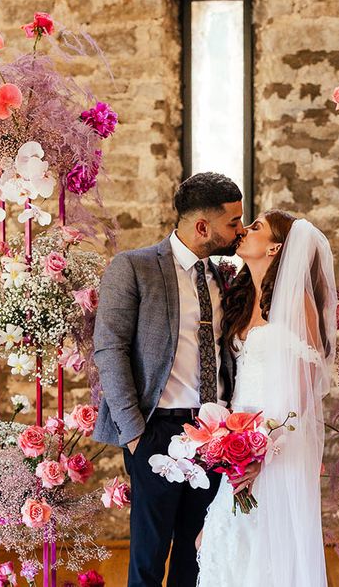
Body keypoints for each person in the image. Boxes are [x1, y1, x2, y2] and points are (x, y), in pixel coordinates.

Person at [92, 172, 256, 587]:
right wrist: (134, 435)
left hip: (215, 435)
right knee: (148, 561)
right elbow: (109, 351)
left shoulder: (223, 276)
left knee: (198, 555)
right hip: (156, 432)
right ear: (203, 227)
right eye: (233, 222)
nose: (240, 230)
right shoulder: (134, 267)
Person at [196, 210, 337, 587]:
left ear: (275, 247)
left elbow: (306, 389)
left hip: (277, 441)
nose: (243, 230)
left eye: (255, 227)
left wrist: (265, 449)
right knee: (224, 543)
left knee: (267, 547)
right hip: (238, 440)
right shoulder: (241, 299)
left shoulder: (297, 307)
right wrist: (235, 444)